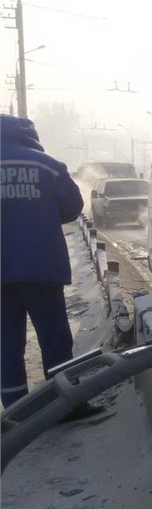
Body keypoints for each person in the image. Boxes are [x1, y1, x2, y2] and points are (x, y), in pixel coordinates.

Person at [1, 114, 102, 421]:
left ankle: (16, 413)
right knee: (54, 335)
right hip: (41, 265)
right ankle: (66, 403)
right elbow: (72, 207)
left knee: (6, 340)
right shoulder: (48, 166)